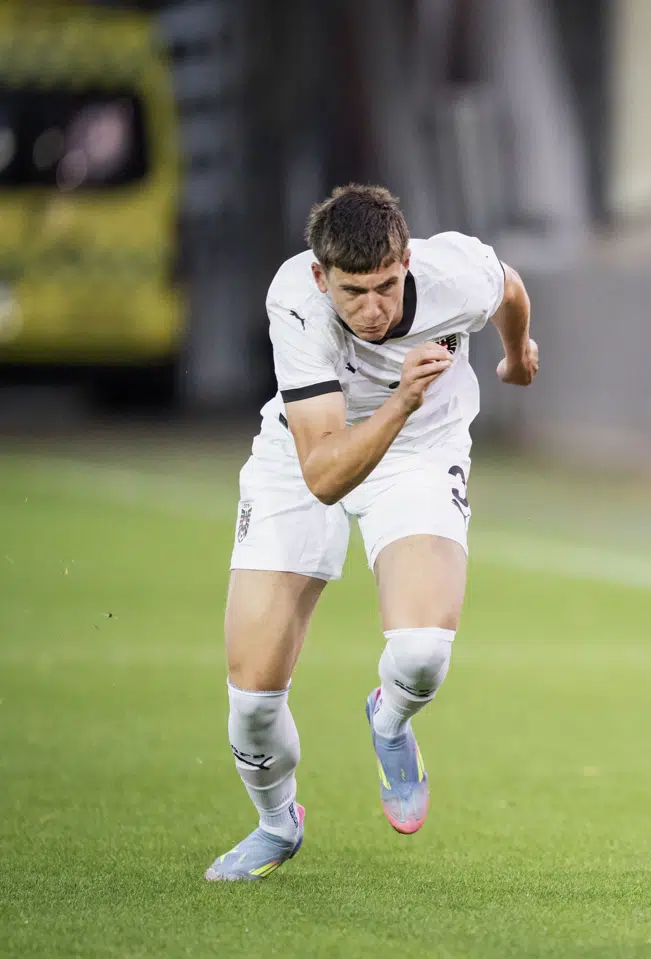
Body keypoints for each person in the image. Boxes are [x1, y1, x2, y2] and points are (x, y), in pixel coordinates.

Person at [206, 185, 538, 881]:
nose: (375, 307)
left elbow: (507, 287)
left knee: (421, 654)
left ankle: (388, 719)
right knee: (253, 703)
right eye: (355, 292)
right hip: (308, 453)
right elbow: (324, 473)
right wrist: (402, 397)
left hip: (422, 451)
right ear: (322, 277)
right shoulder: (296, 301)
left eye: (387, 285)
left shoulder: (451, 274)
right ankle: (276, 823)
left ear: (407, 260)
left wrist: (517, 352)